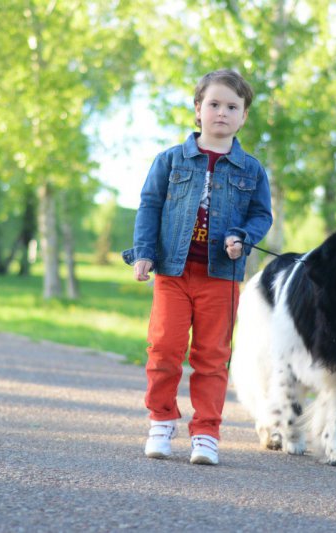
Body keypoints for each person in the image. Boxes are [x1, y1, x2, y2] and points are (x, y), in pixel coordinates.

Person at [122, 69, 273, 465]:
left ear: (243, 116)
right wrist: (143, 252)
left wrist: (243, 236)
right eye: (214, 104)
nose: (222, 112)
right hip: (173, 274)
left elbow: (261, 215)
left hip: (221, 277)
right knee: (164, 349)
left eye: (232, 107)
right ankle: (161, 420)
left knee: (212, 357)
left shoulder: (252, 170)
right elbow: (149, 206)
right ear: (197, 109)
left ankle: (206, 432)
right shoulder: (170, 160)